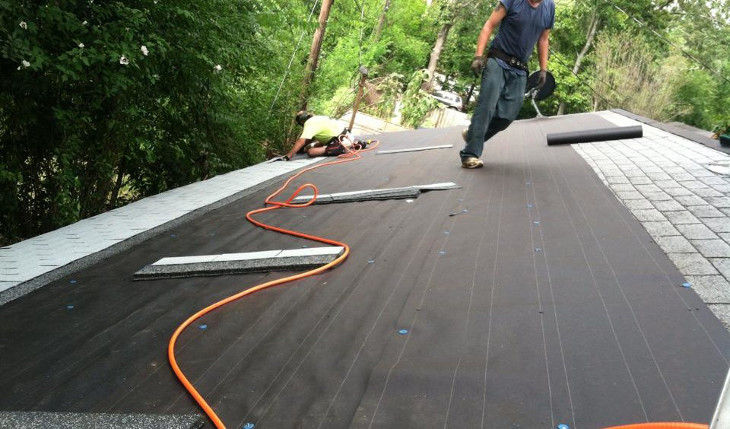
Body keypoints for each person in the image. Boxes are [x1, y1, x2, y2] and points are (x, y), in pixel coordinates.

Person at [460, 0, 555, 168]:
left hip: (519, 69)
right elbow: (489, 25)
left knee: (507, 116)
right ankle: (470, 155)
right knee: (487, 106)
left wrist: (543, 69)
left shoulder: (549, 7)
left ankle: (473, 134)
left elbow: (543, 39)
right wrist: (478, 56)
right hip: (498, 59)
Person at [282, 111, 367, 160]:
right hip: (346, 136)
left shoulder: (309, 123)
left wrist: (289, 156)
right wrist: (301, 149)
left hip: (340, 141)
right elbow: (309, 139)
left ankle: (343, 148)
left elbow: (301, 141)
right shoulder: (317, 118)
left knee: (310, 151)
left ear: (301, 121)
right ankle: (351, 144)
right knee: (314, 145)